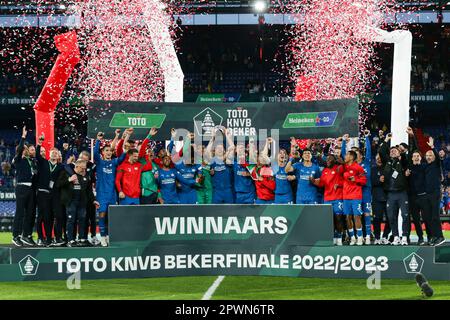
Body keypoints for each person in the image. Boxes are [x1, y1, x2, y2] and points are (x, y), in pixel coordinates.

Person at [93, 130, 128, 246]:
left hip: (112, 194)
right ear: (102, 152)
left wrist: (125, 150)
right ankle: (102, 237)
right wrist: (98, 140)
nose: (108, 152)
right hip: (101, 195)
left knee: (111, 216)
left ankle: (108, 236)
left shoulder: (114, 162)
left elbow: (122, 158)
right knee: (102, 215)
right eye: (106, 150)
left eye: (110, 150)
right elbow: (95, 153)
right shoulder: (99, 162)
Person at [56, 159, 99, 247]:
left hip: (82, 202)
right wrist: (69, 180)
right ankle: (70, 240)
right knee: (71, 221)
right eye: (82, 168)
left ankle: (82, 238)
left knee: (83, 220)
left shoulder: (86, 176)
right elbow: (58, 184)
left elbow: (89, 190)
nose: (84, 170)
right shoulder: (66, 173)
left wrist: (93, 200)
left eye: (84, 168)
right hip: (71, 202)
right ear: (76, 166)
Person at [379, 133, 410, 246]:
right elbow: (381, 151)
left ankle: (405, 237)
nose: (393, 152)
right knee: (391, 216)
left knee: (405, 215)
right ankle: (396, 236)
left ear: (399, 152)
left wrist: (402, 153)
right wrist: (386, 139)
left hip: (402, 193)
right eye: (391, 151)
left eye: (395, 150)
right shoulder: (386, 161)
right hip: (390, 194)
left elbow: (407, 158)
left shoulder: (403, 161)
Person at [35, 134, 64, 246]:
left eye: (56, 153)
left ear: (58, 156)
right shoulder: (44, 163)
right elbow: (37, 155)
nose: (54, 154)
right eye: (52, 152)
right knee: (47, 217)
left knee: (58, 215)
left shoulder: (61, 166)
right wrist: (39, 143)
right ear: (49, 154)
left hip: (55, 195)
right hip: (44, 195)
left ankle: (57, 238)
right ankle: (48, 238)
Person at [11, 126, 37, 247]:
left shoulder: (29, 160)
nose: (25, 150)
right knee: (20, 213)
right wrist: (23, 137)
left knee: (30, 213)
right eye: (24, 149)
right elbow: (20, 148)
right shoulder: (17, 160)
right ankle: (15, 236)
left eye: (27, 149)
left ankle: (26, 235)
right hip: (21, 188)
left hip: (30, 188)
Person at [311, 155, 344, 245]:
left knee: (338, 217)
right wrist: (314, 181)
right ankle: (333, 237)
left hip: (337, 198)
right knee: (330, 219)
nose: (328, 160)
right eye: (327, 159)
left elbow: (345, 176)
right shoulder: (325, 171)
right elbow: (322, 183)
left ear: (334, 160)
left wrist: (339, 184)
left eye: (330, 159)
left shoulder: (338, 168)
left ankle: (339, 237)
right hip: (327, 198)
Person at [423, 137, 445, 246]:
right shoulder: (425, 166)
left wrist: (432, 147)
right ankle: (433, 237)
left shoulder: (436, 165)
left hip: (435, 193)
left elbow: (437, 157)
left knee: (435, 216)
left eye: (430, 155)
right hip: (427, 194)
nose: (428, 157)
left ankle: (440, 237)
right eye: (427, 155)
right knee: (429, 217)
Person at [342, 150, 367, 245]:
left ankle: (360, 237)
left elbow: (364, 180)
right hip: (346, 196)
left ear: (351, 157)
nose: (345, 156)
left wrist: (355, 179)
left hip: (356, 196)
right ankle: (352, 237)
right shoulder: (344, 167)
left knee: (357, 216)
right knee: (347, 217)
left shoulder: (358, 167)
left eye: (347, 155)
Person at [205, 127, 235, 204]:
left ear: (224, 150)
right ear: (214, 151)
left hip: (227, 191)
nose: (219, 149)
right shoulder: (212, 160)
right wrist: (212, 138)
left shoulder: (228, 159)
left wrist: (227, 136)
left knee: (230, 211)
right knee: (215, 212)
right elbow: (207, 152)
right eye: (217, 148)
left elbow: (232, 147)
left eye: (221, 148)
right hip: (217, 191)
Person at [371, 153, 392, 245]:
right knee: (377, 219)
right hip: (377, 198)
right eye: (377, 158)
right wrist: (378, 180)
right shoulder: (373, 169)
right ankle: (377, 237)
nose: (379, 160)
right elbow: (371, 182)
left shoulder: (388, 169)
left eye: (380, 158)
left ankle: (385, 236)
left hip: (389, 198)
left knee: (390, 219)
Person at [233, 140, 256, 204]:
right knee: (239, 213)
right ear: (236, 150)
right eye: (239, 148)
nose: (240, 150)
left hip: (250, 193)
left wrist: (249, 174)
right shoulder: (233, 162)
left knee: (250, 213)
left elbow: (256, 174)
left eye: (242, 148)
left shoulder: (250, 160)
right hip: (238, 193)